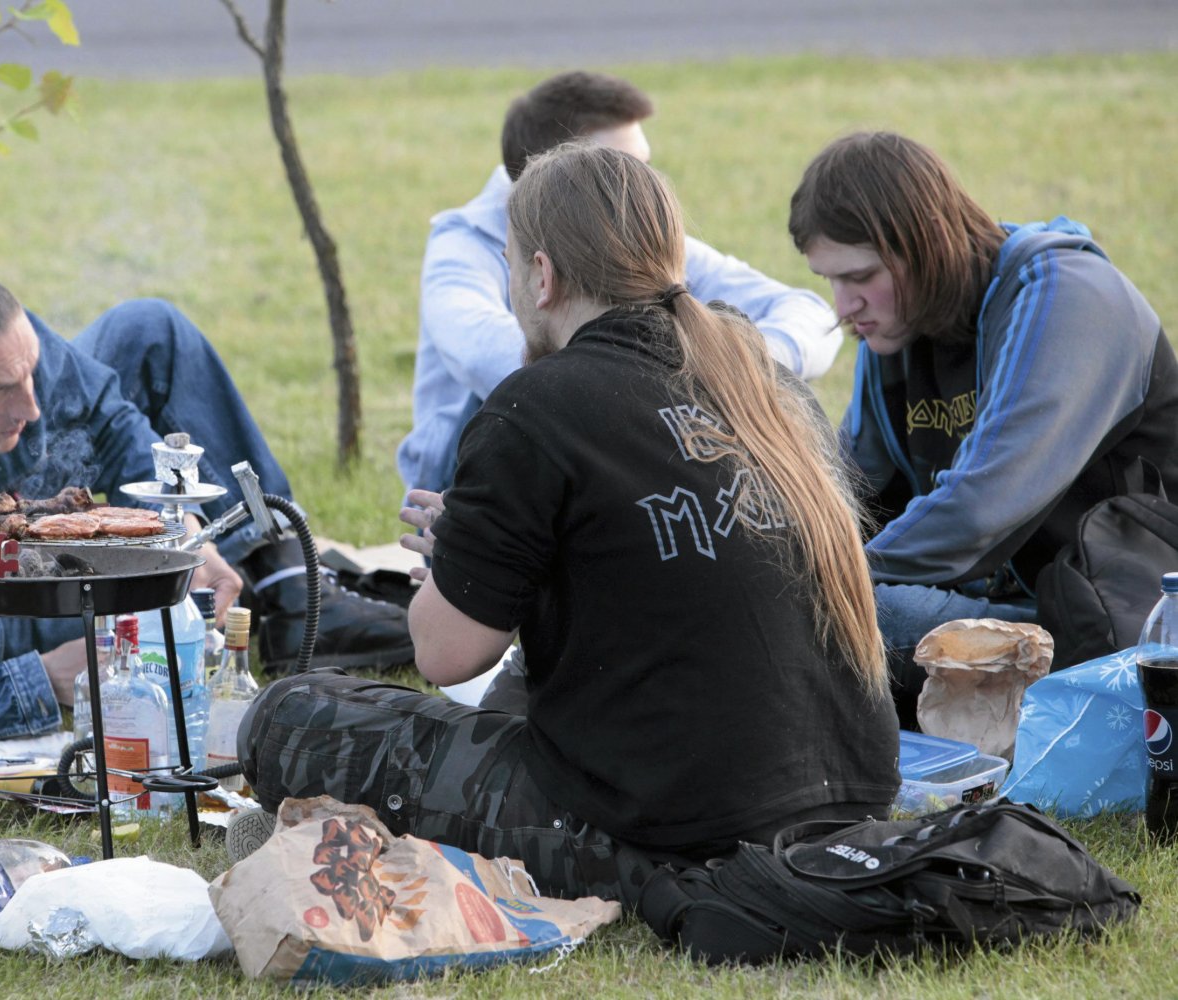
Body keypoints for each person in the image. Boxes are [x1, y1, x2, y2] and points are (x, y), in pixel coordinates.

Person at [235, 143, 900, 911]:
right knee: (515, 695)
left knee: (286, 715)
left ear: (542, 276)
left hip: (671, 830)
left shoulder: (536, 407)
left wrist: (461, 557)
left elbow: (446, 653)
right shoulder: (769, 382)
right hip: (849, 800)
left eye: (512, 269)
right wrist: (506, 550)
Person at [0, 262, 410, 748]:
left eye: (29, 371)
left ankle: (286, 582)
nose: (32, 406)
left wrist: (190, 539)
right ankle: (274, 592)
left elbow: (104, 415)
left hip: (12, 531)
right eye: (1, 390)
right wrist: (43, 681)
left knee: (150, 328)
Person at [788, 131, 1178, 725]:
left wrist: (812, 581)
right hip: (1005, 606)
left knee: (844, 607)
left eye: (860, 275)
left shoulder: (1069, 295)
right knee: (824, 601)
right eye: (829, 280)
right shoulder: (897, 326)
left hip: (1127, 618)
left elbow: (979, 512)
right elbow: (853, 497)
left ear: (923, 244)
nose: (844, 306)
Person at [397, 70, 842, 497]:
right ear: (561, 177)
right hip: (468, 489)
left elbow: (810, 315)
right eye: (622, 171)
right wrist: (672, 376)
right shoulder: (465, 243)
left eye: (645, 169)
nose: (645, 187)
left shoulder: (637, 231)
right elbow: (485, 355)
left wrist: (735, 366)